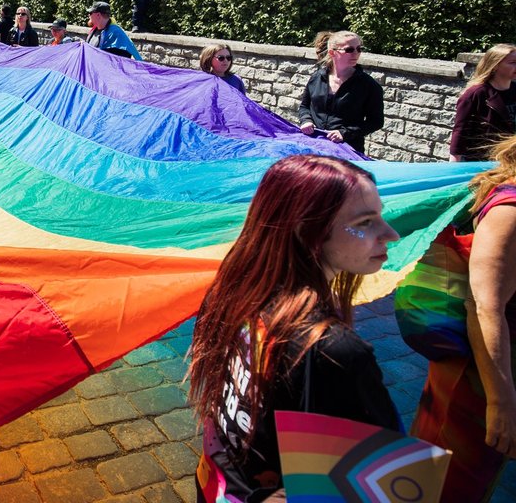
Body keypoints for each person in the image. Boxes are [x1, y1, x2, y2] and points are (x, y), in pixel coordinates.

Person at [188, 154, 401, 503]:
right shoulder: (333, 351)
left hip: (215, 485)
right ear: (309, 233)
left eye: (380, 214)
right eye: (365, 222)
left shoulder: (234, 291)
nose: (390, 234)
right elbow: (384, 486)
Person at [410, 136, 516, 500]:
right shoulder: (510, 210)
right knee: (442, 481)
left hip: (493, 368)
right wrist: (500, 401)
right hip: (476, 375)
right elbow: (485, 306)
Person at [298, 30, 384, 154]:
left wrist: (344, 133)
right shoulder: (316, 78)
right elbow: (304, 106)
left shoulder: (369, 85)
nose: (356, 53)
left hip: (347, 151)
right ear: (332, 53)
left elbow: (376, 122)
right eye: (349, 50)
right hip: (314, 146)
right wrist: (306, 120)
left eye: (359, 49)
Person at [450, 44, 516, 162]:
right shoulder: (475, 94)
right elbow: (460, 131)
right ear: (495, 66)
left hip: (510, 161)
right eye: (513, 62)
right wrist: (454, 165)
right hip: (482, 163)